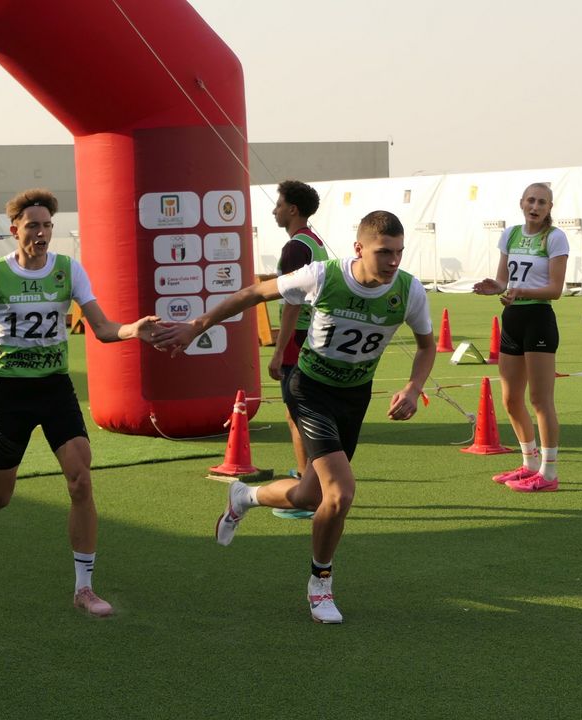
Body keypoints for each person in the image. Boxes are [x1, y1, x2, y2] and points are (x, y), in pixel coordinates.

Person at [152, 210, 435, 624]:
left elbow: (427, 346)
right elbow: (253, 294)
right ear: (359, 248)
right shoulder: (323, 275)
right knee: (340, 493)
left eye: (398, 252)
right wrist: (197, 326)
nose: (393, 261)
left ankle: (244, 497)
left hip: (354, 396)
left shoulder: (409, 292)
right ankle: (320, 585)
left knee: (311, 496)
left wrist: (413, 388)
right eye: (383, 252)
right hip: (309, 388)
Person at [0, 188, 159, 618]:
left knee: (81, 479)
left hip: (55, 389)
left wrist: (132, 329)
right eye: (32, 226)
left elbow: (100, 327)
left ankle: (84, 588)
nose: (41, 234)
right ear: (15, 231)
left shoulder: (68, 270)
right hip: (11, 392)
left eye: (46, 226)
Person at [473, 183, 570, 492]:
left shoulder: (554, 237)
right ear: (521, 203)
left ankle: (549, 473)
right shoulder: (511, 234)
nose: (535, 206)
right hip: (512, 318)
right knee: (511, 398)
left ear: (549, 208)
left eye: (542, 202)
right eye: (531, 200)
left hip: (538, 319)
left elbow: (555, 289)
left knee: (540, 400)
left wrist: (520, 291)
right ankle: (528, 463)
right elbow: (505, 280)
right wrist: (497, 287)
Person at [268, 180, 329, 520]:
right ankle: (310, 479)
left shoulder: (295, 247)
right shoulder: (314, 241)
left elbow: (291, 304)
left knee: (297, 416)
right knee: (308, 413)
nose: (274, 209)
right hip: (315, 335)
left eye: (279, 204)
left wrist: (278, 352)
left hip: (300, 338)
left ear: (292, 209)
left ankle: (309, 492)